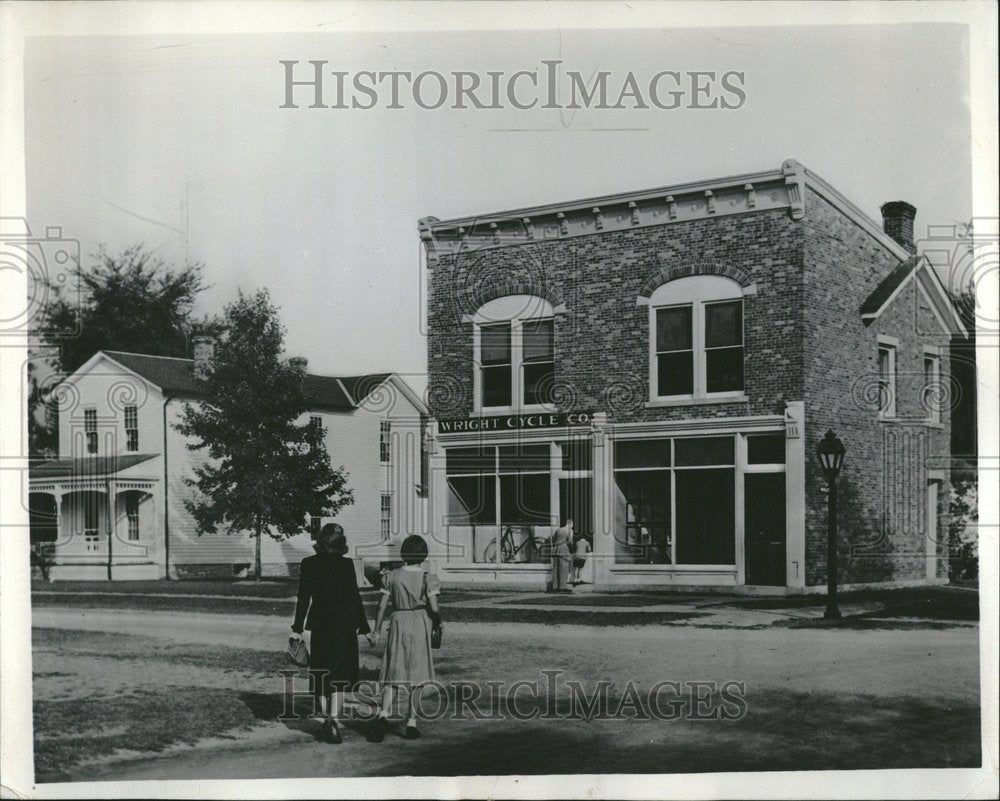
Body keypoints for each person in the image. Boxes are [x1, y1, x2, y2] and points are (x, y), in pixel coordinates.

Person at [290, 523, 370, 744]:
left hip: (321, 627)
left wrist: (297, 629)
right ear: (341, 544)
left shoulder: (309, 564)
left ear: (321, 542)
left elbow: (303, 597)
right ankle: (333, 720)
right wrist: (364, 628)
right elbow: (354, 597)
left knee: (322, 673)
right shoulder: (346, 565)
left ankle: (326, 717)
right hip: (344, 628)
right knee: (340, 677)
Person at [368, 534, 441, 741]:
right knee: (417, 675)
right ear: (424, 554)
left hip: (398, 620)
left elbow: (381, 605)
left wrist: (377, 630)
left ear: (404, 554)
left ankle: (383, 714)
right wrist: (439, 620)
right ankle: (411, 723)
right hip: (419, 622)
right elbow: (434, 608)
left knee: (394, 670)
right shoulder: (428, 579)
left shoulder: (392, 576)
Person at [549, 518, 574, 593]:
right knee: (564, 570)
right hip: (564, 552)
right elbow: (570, 542)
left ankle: (555, 587)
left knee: (556, 570)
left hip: (555, 552)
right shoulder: (570, 531)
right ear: (571, 524)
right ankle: (562, 587)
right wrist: (572, 549)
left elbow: (552, 539)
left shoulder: (558, 530)